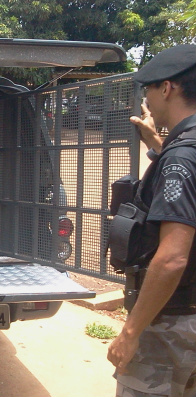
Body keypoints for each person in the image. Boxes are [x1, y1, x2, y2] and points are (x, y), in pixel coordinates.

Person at [107, 45, 196, 396]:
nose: (147, 97)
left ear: (167, 88)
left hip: (171, 323)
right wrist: (158, 143)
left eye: (149, 89)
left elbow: (173, 257)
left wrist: (130, 332)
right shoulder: (182, 151)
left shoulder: (181, 159)